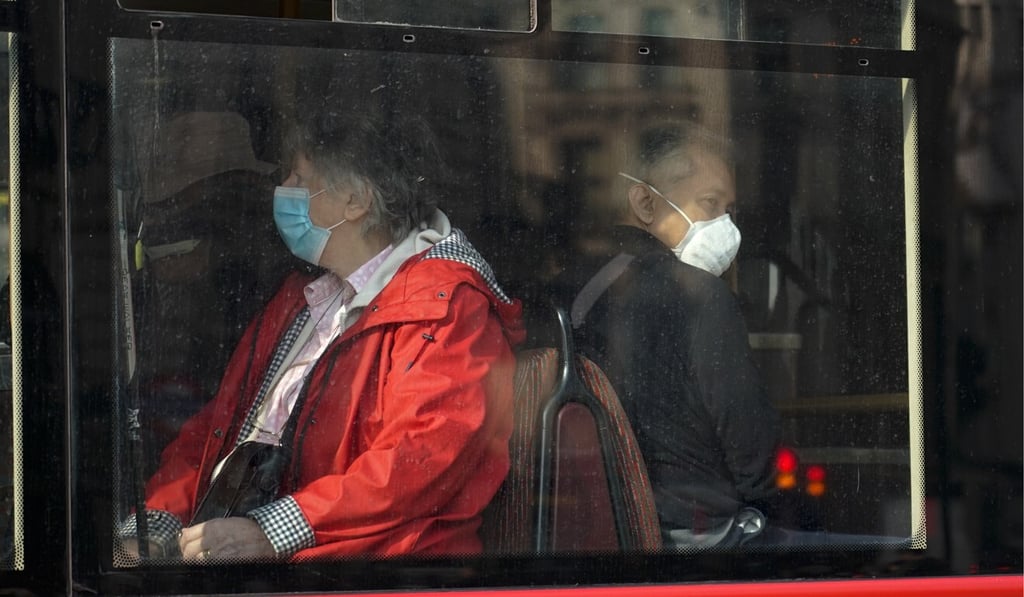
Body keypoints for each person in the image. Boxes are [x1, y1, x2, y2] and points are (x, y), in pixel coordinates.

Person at [121, 111, 525, 561]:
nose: (282, 188)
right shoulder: (303, 298)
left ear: (354, 201)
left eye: (298, 176)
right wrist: (153, 524)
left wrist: (268, 533)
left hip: (374, 573)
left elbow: (418, 461)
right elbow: (219, 429)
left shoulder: (446, 307)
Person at [552, 121, 778, 549]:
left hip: (607, 532)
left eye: (729, 210)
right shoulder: (698, 295)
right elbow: (750, 444)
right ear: (644, 201)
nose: (726, 227)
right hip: (702, 535)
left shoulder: (574, 287)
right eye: (710, 204)